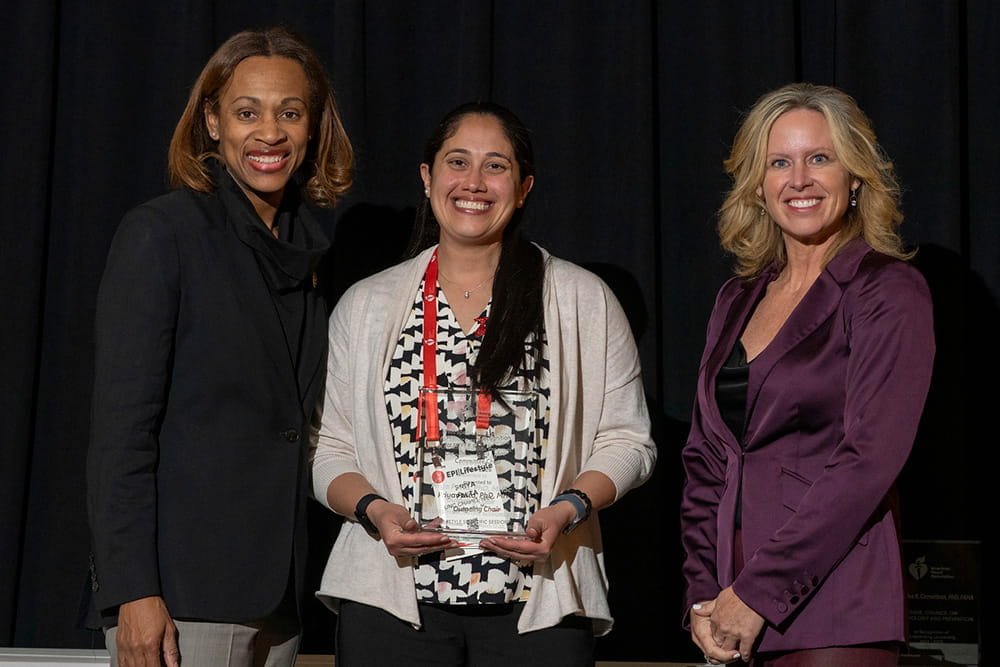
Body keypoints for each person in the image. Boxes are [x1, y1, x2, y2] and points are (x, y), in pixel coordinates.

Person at [311, 101, 656, 666]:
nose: (474, 182)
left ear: (523, 188)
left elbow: (629, 442)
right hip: (393, 602)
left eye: (495, 166)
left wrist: (567, 508)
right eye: (457, 162)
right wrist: (374, 510)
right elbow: (328, 448)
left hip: (537, 604)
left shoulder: (580, 299)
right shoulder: (368, 304)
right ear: (427, 178)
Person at [86, 26, 353, 667]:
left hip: (279, 595)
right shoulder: (163, 234)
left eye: (290, 112)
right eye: (246, 111)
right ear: (211, 122)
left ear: (313, 127)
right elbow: (122, 434)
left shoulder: (305, 252)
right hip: (182, 597)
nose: (270, 132)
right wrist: (134, 592)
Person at [680, 82, 935, 666]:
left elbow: (868, 459)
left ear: (855, 178)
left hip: (833, 602)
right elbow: (703, 459)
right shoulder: (736, 297)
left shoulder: (888, 289)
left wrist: (758, 592)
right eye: (779, 162)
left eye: (819, 158)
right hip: (726, 603)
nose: (799, 179)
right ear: (758, 184)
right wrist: (702, 596)